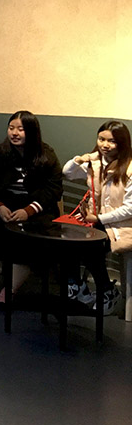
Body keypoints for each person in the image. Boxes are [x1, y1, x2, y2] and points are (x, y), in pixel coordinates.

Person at [0, 110, 62, 307]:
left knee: (28, 234)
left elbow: (54, 190)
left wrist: (28, 211)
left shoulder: (46, 155)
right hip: (5, 205)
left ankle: (11, 289)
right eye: (11, 128)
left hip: (36, 208)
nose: (14, 133)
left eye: (20, 129)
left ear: (32, 131)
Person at [62, 120, 132, 314]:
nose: (105, 145)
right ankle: (76, 285)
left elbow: (130, 209)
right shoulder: (96, 164)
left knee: (91, 246)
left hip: (122, 226)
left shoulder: (129, 168)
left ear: (122, 143)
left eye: (112, 141)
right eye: (101, 139)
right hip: (95, 221)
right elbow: (67, 173)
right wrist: (81, 159)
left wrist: (99, 219)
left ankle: (107, 291)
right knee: (68, 239)